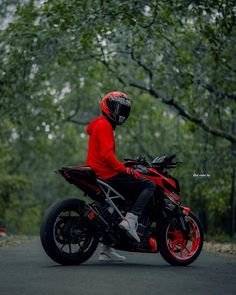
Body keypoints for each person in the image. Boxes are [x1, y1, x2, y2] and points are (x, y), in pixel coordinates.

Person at [85, 91, 156, 262]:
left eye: (124, 110)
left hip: (97, 172)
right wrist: (126, 170)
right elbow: (107, 156)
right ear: (107, 106)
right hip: (107, 173)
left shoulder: (99, 124)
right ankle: (131, 220)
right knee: (149, 185)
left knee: (117, 204)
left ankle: (107, 249)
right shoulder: (105, 125)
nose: (120, 113)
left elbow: (93, 136)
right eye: (117, 108)